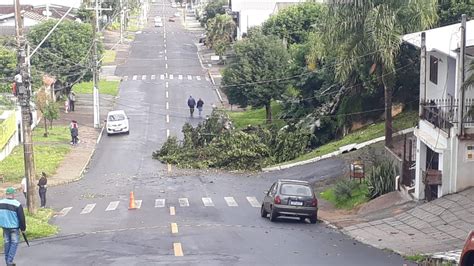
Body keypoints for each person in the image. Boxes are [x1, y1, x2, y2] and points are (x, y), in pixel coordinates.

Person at [0, 187, 26, 266]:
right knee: (14, 243)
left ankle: (8, 260)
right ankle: (9, 261)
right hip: (14, 227)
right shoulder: (17, 204)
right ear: (13, 194)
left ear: (6, 194)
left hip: (4, 226)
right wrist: (23, 228)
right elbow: (21, 218)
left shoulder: (0, 203)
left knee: (7, 242)